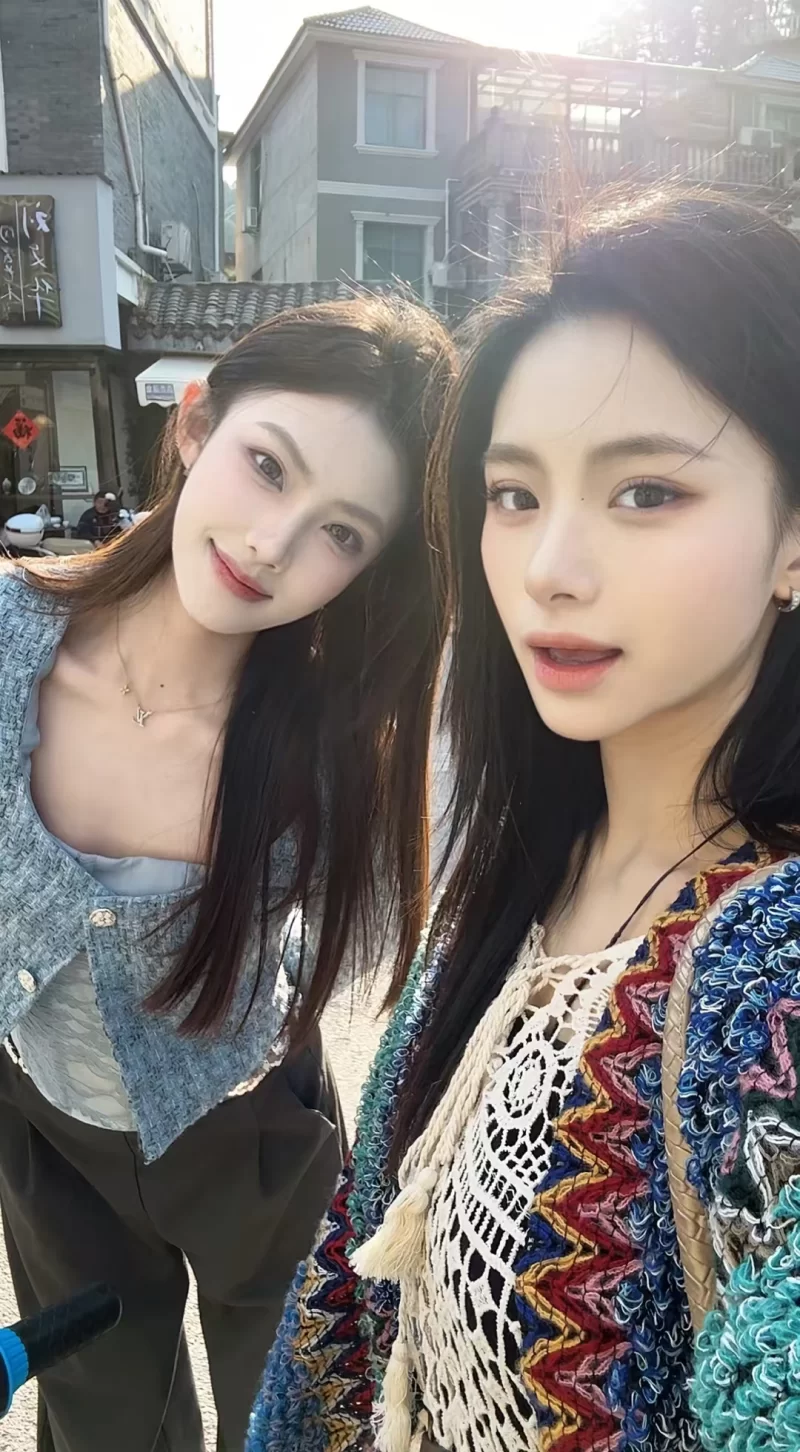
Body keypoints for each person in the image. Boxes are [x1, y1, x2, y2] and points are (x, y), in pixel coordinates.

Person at [247, 189, 800, 1452]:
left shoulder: (768, 974)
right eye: (511, 494)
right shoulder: (521, 880)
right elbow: (342, 1318)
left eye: (644, 492)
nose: (549, 566)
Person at [0, 295, 455, 1452]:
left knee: (304, 1418)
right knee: (103, 1427)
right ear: (196, 425)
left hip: (248, 1129)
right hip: (47, 1133)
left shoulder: (335, 744)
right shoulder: (6, 634)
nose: (271, 544)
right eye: (267, 466)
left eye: (342, 533)